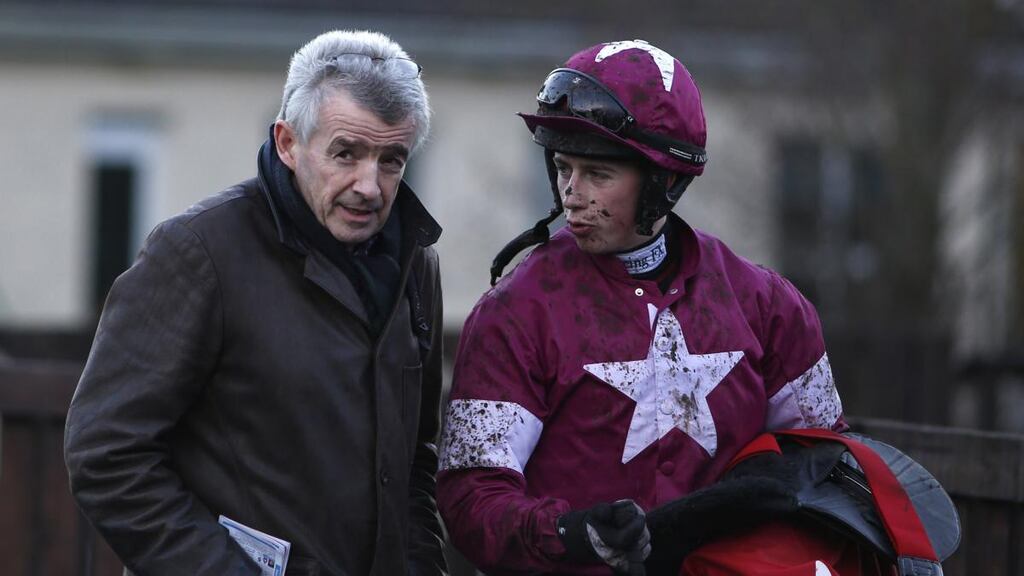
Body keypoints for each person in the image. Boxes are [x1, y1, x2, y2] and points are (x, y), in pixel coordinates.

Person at [436, 39, 845, 575]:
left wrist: (767, 475)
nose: (571, 195)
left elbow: (826, 460)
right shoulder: (513, 313)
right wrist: (572, 533)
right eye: (563, 166)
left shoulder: (770, 307)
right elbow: (471, 497)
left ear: (665, 180)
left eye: (598, 174)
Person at [64, 30, 446, 576]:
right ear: (288, 143)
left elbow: (413, 462)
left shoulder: (414, 262)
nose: (370, 185)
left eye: (392, 160)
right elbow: (105, 455)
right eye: (346, 153)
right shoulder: (199, 251)